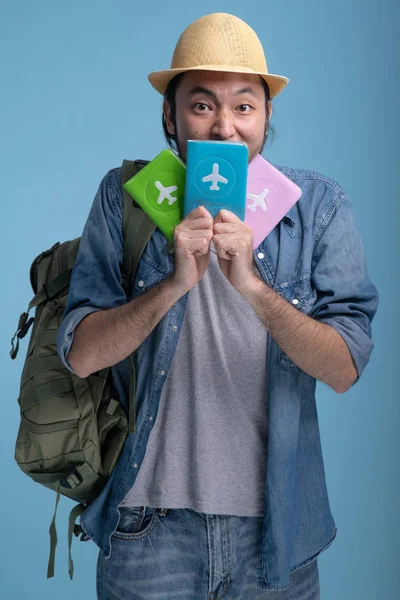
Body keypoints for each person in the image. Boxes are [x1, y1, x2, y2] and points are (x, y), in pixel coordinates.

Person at [57, 12, 379, 600]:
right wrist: (173, 284)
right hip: (145, 530)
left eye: (244, 106)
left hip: (275, 531)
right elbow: (80, 356)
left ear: (266, 116)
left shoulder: (318, 209)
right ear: (170, 115)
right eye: (202, 105)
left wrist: (253, 287)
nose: (224, 127)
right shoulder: (126, 199)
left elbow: (345, 369)